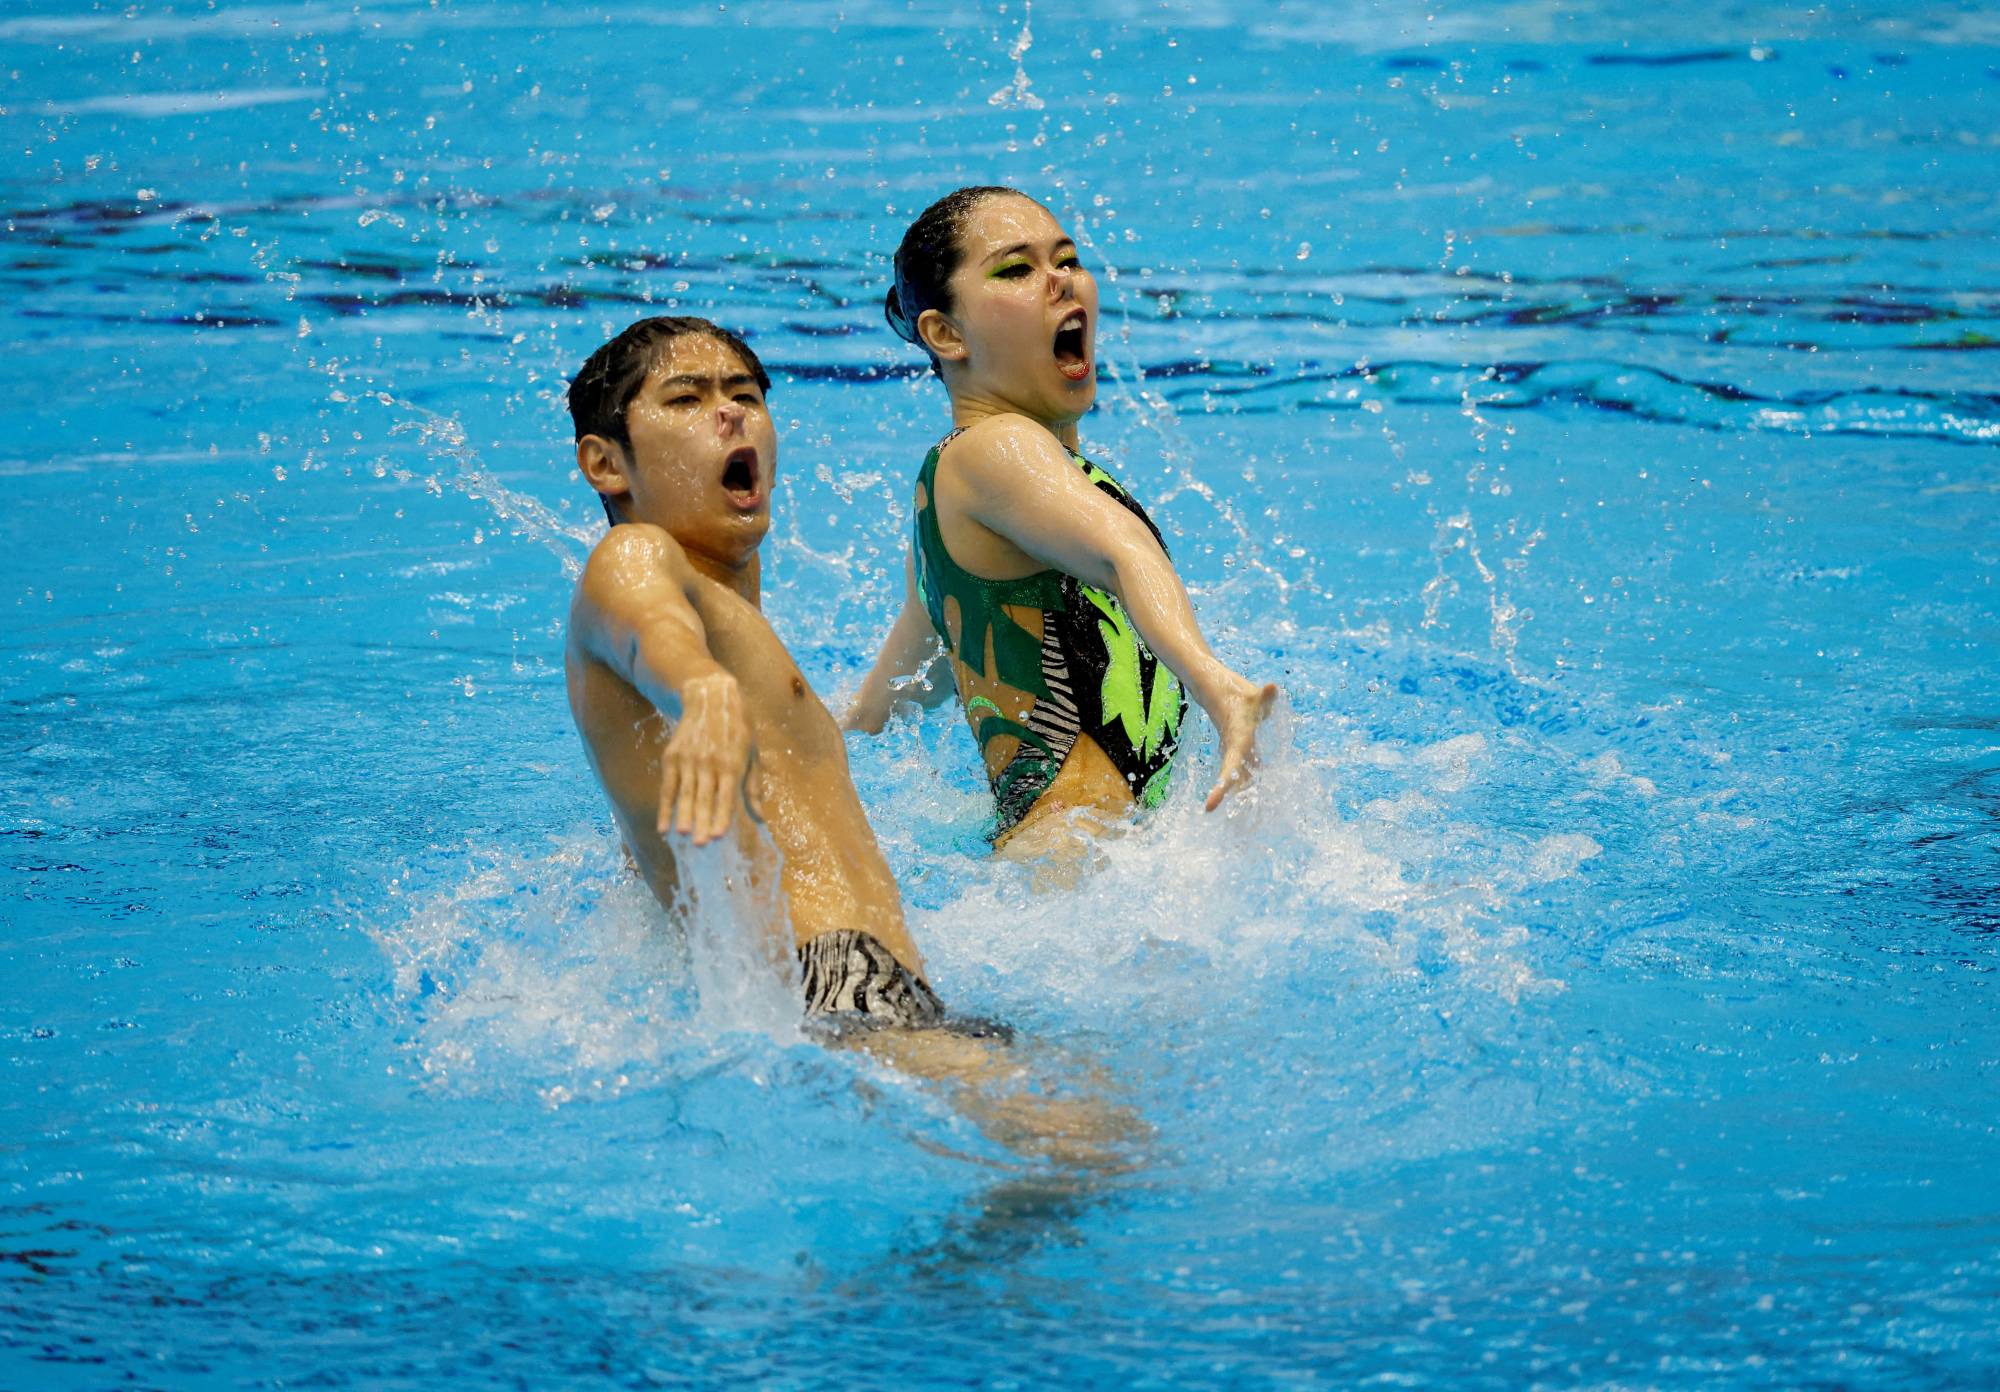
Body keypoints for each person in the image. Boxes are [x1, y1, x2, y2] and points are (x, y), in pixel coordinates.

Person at [845, 186, 1278, 861]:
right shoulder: (993, 449)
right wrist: (1216, 684)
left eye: (1068, 260)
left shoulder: (961, 498)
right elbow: (1120, 550)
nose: (1061, 282)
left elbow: (892, 700)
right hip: (1083, 864)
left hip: (1062, 864)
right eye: (1015, 269)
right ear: (945, 332)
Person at [565, 314, 948, 1030]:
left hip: (840, 991)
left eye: (745, 394)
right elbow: (653, 621)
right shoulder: (632, 560)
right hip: (840, 979)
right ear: (606, 464)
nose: (729, 412)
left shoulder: (728, 600)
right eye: (686, 399)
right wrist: (702, 691)